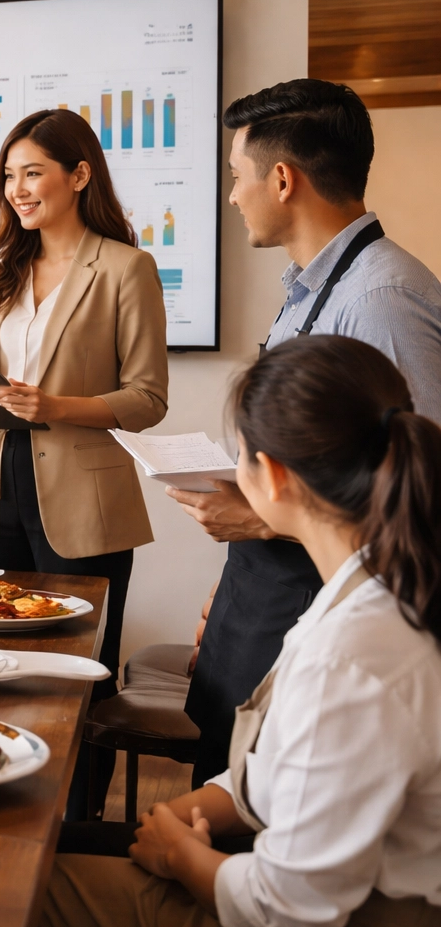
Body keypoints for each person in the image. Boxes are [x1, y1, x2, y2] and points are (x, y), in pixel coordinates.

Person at [41, 334, 441, 927]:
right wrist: (182, 814)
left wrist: (180, 854)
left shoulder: (351, 655)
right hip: (306, 883)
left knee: (24, 882)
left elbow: (285, 911)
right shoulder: (376, 585)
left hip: (334, 922)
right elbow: (293, 768)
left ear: (272, 477)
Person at [170, 79, 441, 787]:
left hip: (312, 606)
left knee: (252, 832)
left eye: (237, 177)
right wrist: (224, 593)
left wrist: (258, 522)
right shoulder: (310, 291)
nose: (233, 196)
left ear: (282, 179)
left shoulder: (384, 301)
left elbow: (419, 499)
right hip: (262, 595)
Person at [0, 108, 168, 816]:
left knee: (81, 671)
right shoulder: (2, 268)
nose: (17, 189)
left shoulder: (126, 267)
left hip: (84, 501)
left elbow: (147, 398)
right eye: (9, 176)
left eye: (32, 172)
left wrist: (56, 406)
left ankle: (79, 821)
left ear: (79, 174)